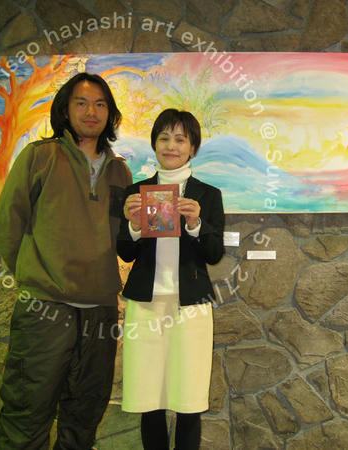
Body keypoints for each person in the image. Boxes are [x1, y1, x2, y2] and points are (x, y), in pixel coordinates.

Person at [0, 72, 131, 449]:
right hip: (45, 309)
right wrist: (36, 275)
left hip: (100, 312)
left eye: (100, 104)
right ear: (65, 110)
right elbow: (8, 227)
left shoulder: (120, 171)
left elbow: (122, 239)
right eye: (81, 103)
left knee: (84, 418)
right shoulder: (39, 157)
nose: (91, 111)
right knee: (26, 413)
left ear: (110, 114)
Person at [117, 109, 224, 449]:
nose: (171, 146)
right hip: (145, 307)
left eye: (180, 139)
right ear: (154, 144)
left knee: (189, 399)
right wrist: (134, 225)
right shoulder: (136, 192)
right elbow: (125, 252)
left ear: (193, 147)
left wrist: (196, 224)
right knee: (149, 398)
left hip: (190, 307)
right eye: (164, 138)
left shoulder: (208, 195)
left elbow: (214, 254)